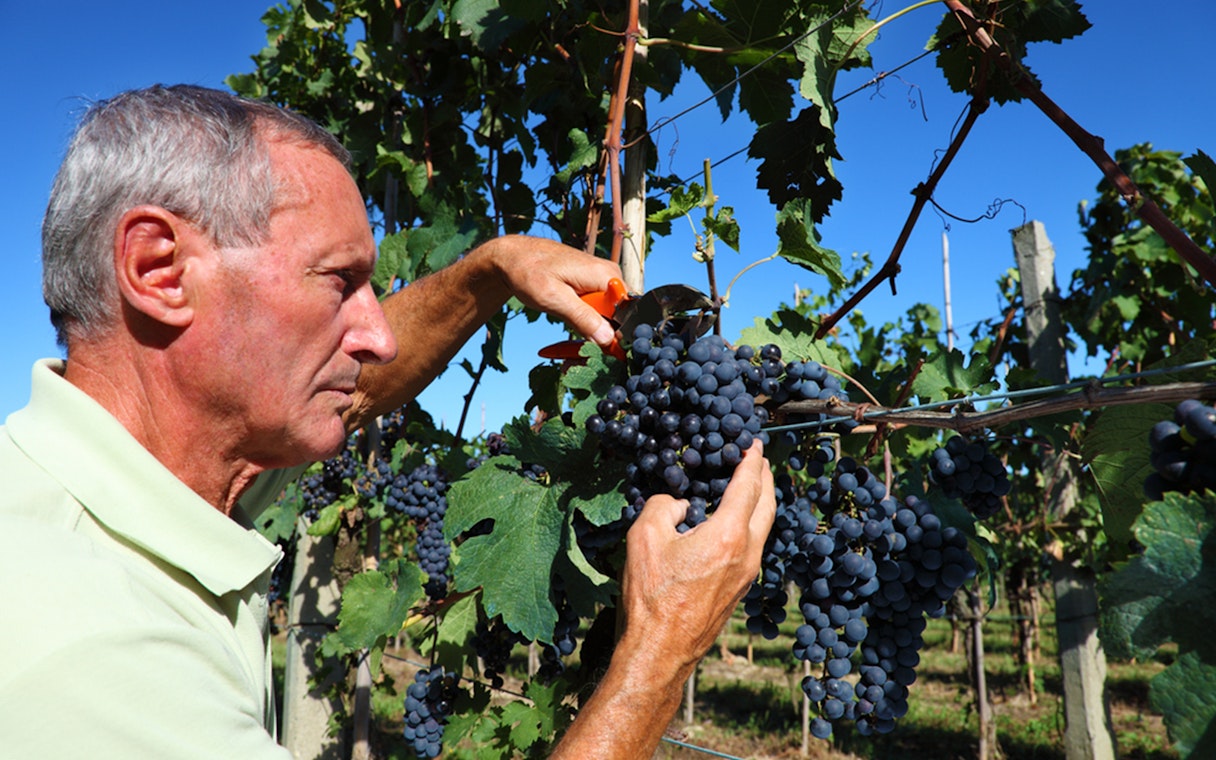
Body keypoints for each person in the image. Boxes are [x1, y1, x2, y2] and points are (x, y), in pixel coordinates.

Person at [0, 84, 775, 759]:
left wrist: (491, 270)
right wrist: (658, 657)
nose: (378, 335)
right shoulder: (89, 652)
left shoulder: (160, 477)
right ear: (159, 271)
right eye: (339, 282)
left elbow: (360, 384)